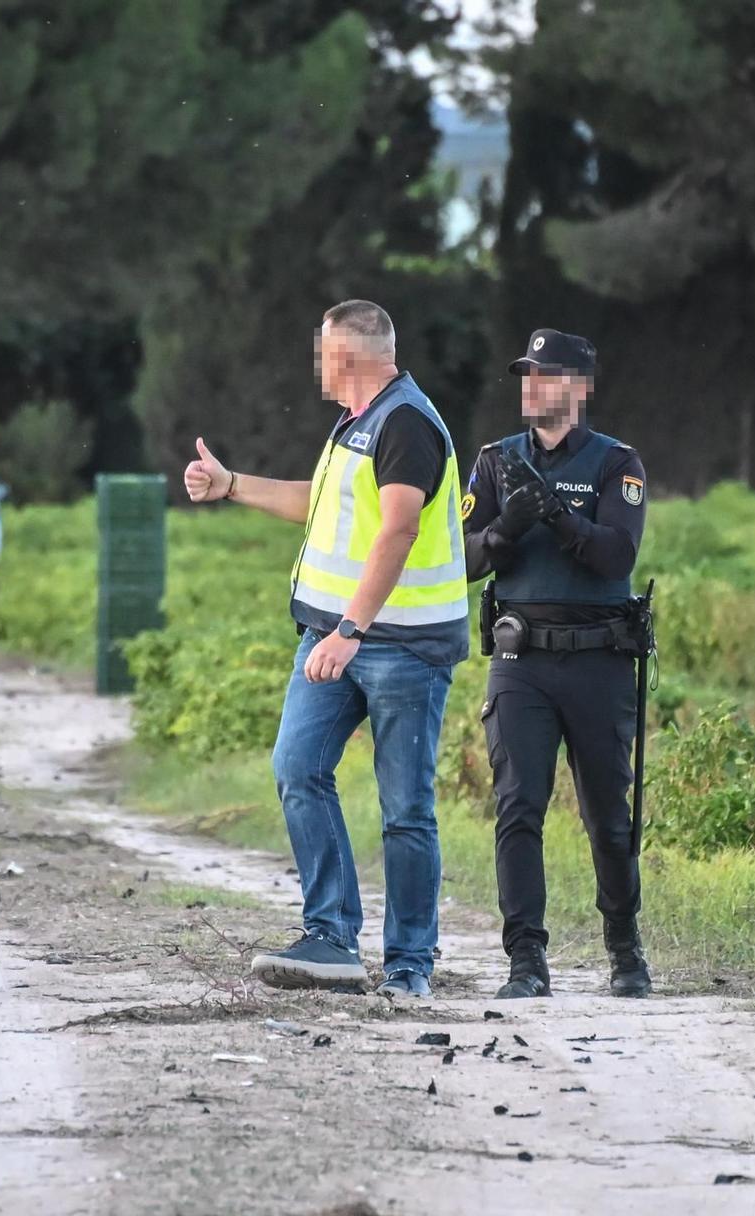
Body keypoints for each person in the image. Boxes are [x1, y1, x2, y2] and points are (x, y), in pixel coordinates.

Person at [183, 300, 470, 999]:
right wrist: (232, 486)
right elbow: (320, 504)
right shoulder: (355, 424)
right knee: (296, 766)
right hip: (333, 638)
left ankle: (409, 965)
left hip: (399, 646)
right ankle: (333, 936)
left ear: (345, 356)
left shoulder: (406, 423)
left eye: (322, 353)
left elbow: (398, 530)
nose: (317, 365)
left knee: (405, 808)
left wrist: (351, 631)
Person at [461, 328, 653, 1000]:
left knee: (609, 814)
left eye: (545, 375)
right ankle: (526, 961)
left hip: (599, 661)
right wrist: (507, 527)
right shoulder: (495, 461)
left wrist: (560, 520)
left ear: (578, 387)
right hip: (522, 660)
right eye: (526, 375)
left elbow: (616, 556)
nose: (532, 386)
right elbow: (462, 560)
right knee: (518, 807)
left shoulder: (614, 463)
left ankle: (625, 952)